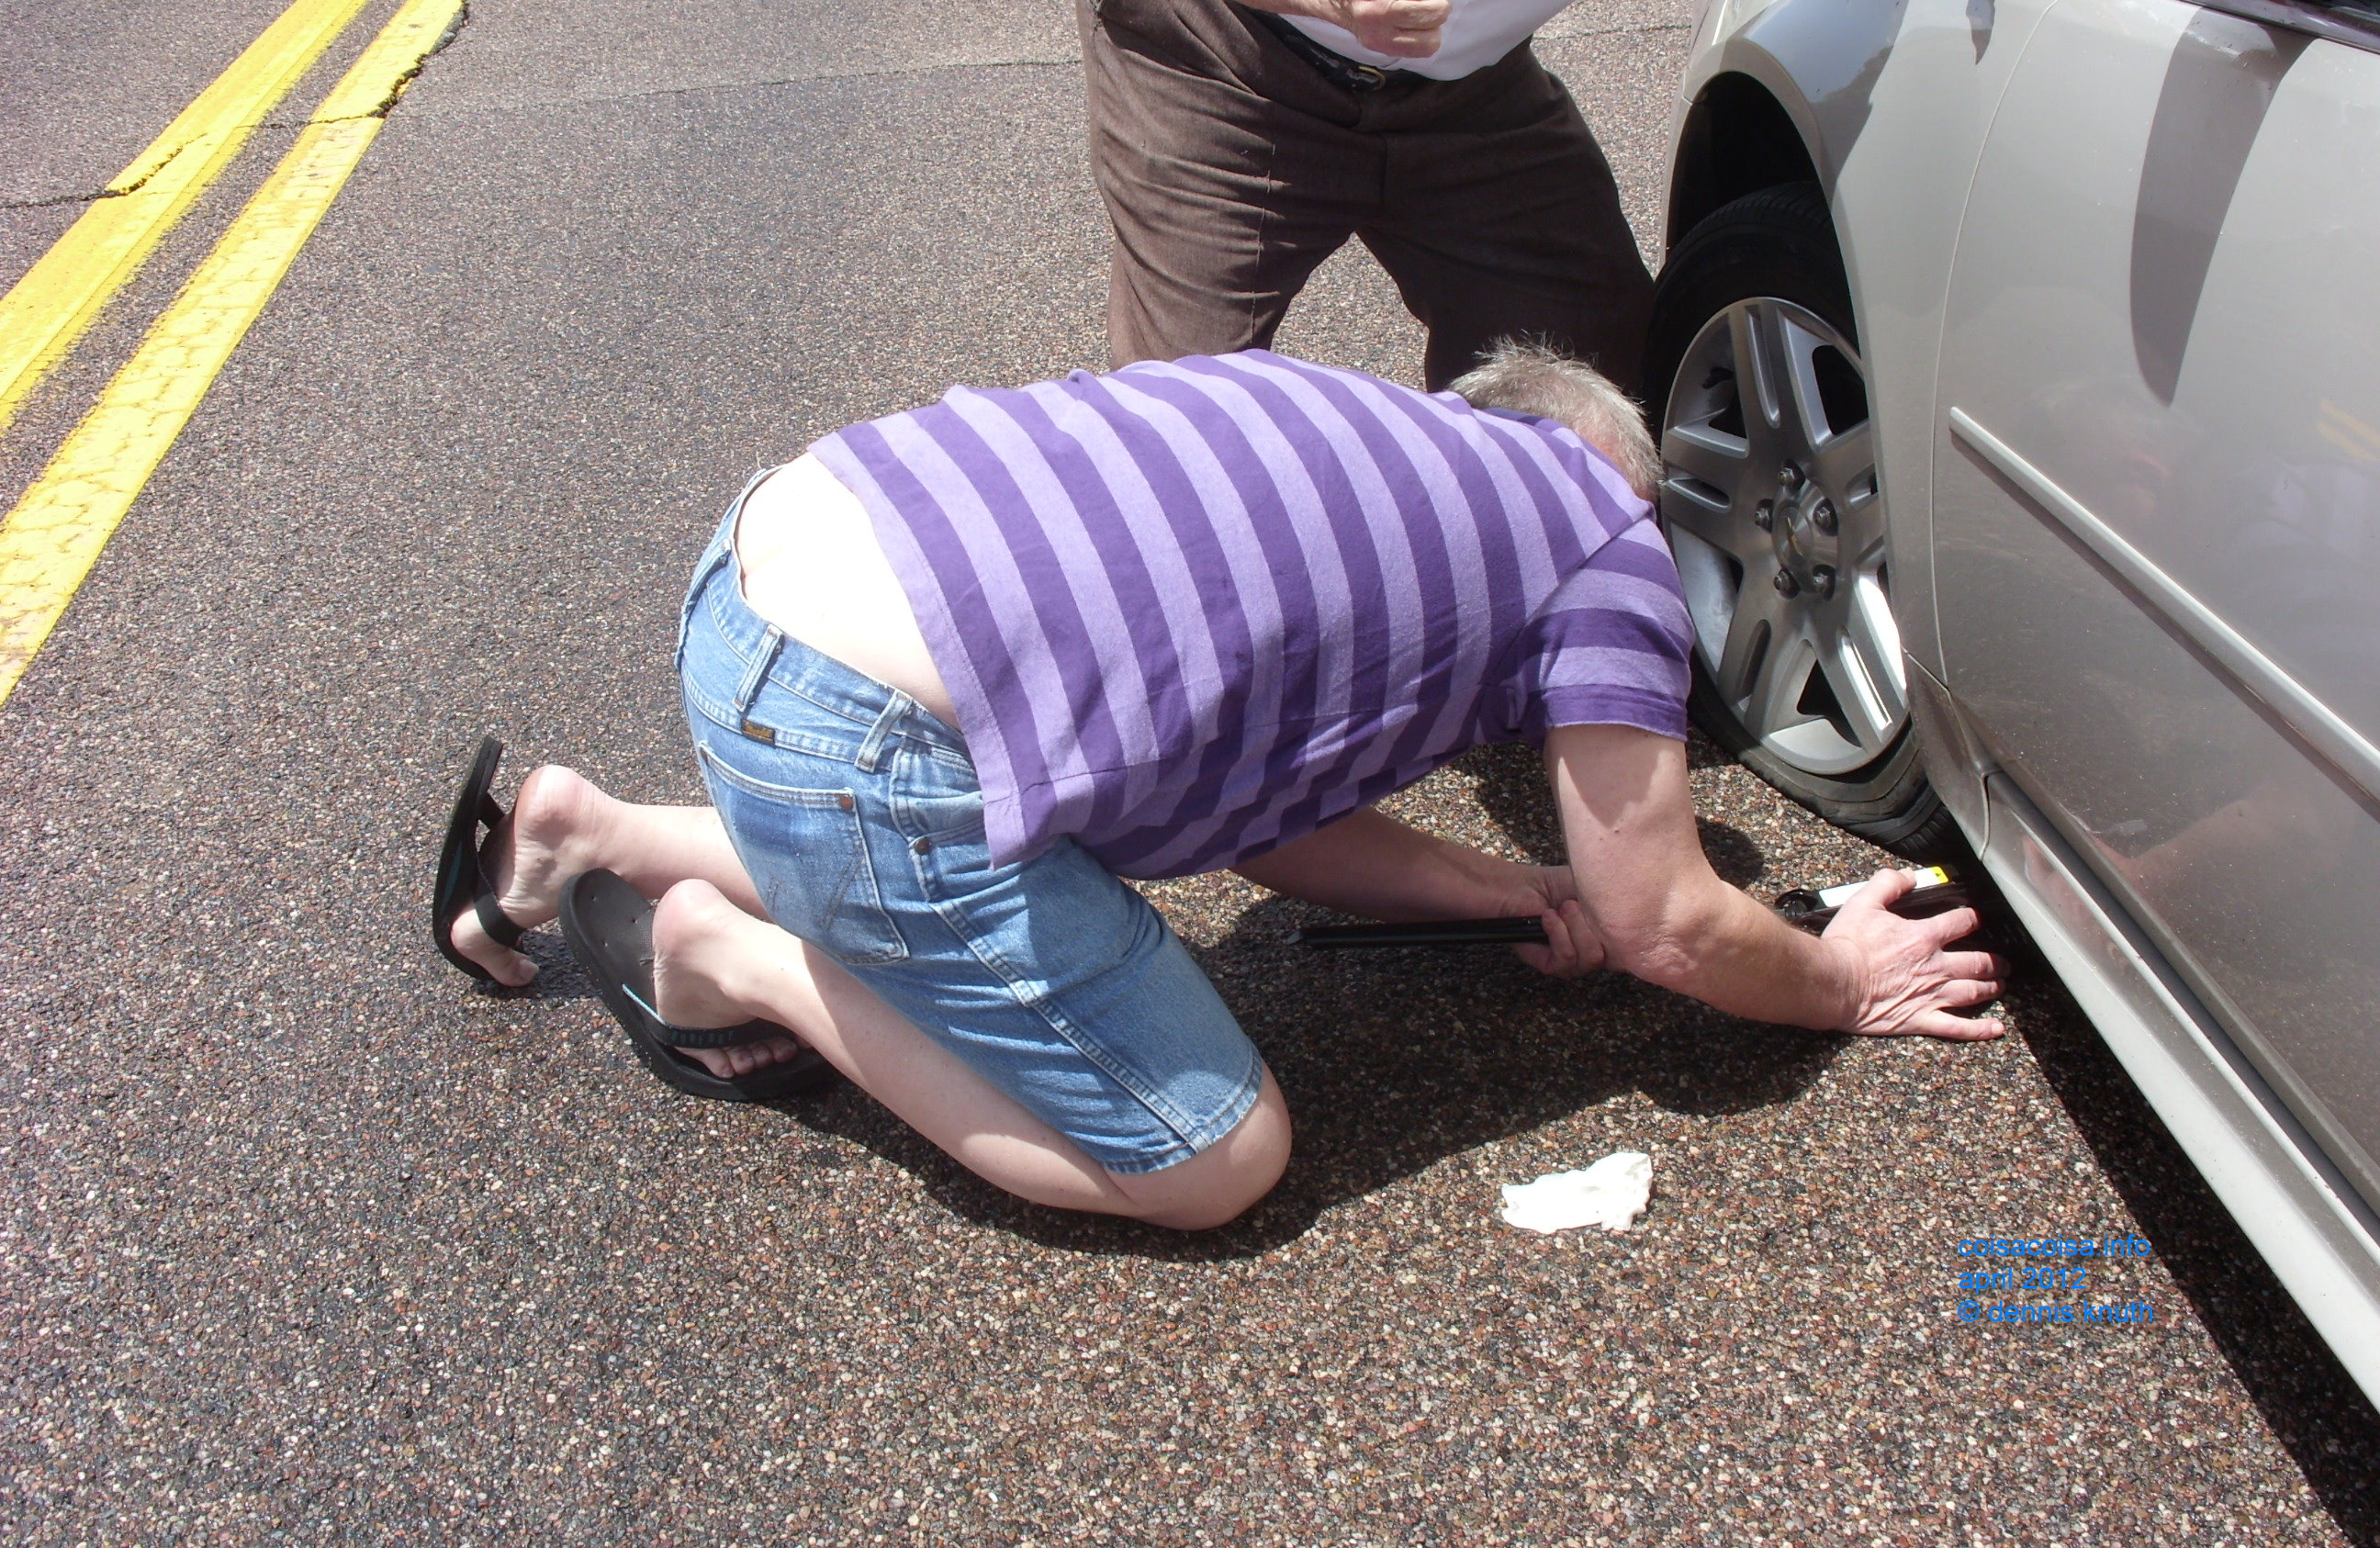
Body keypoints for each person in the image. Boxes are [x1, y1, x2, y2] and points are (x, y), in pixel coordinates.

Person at [435, 347, 2003, 1230]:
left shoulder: (1355, 430)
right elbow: (1666, 917)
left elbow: (1267, 817)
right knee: (1208, 1157)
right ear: (1617, 477)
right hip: (860, 740)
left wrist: (1515, 886)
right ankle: (724, 955)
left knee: (1037, 809)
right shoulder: (1603, 537)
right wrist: (1833, 977)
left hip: (758, 571)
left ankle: (600, 827)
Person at [1073, 0, 2095, 390]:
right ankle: (1118, 698)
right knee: (1178, 413)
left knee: (1593, 363)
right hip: (1225, 40)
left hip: (1456, 78)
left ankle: (1503, 626)